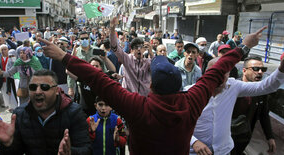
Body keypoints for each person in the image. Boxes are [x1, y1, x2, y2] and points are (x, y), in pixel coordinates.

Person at [37, 20, 266, 154]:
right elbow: (216, 72)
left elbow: (99, 79)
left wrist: (65, 57)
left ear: (151, 86)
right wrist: (242, 47)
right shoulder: (193, 99)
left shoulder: (138, 107)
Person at [190, 47, 284, 155]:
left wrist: (281, 69)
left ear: (229, 74)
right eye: (216, 73)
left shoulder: (233, 87)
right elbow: (176, 123)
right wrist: (194, 141)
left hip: (224, 151)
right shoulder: (191, 92)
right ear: (207, 73)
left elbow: (264, 87)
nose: (220, 78)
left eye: (224, 73)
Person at [0, 69, 92, 154]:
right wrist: (8, 143)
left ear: (56, 90)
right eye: (33, 87)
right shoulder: (20, 114)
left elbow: (87, 150)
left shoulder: (74, 112)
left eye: (44, 87)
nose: (38, 91)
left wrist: (70, 152)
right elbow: (15, 151)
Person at [231, 56, 276, 155]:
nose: (260, 72)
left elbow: (264, 115)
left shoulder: (261, 92)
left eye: (263, 69)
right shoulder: (232, 88)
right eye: (255, 69)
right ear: (244, 71)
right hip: (227, 138)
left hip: (244, 139)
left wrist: (270, 137)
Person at [67, 31, 115, 98]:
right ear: (79, 40)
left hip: (97, 83)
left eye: (86, 38)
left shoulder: (96, 50)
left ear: (89, 39)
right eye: (82, 39)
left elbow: (103, 67)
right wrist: (70, 88)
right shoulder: (76, 52)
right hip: (82, 84)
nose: (85, 40)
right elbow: (70, 70)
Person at [110, 26, 153, 96]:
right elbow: (115, 48)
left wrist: (151, 52)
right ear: (132, 50)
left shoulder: (148, 62)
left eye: (141, 47)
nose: (139, 49)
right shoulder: (127, 59)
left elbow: (157, 70)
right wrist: (112, 30)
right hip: (129, 98)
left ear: (144, 49)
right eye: (136, 47)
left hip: (144, 99)